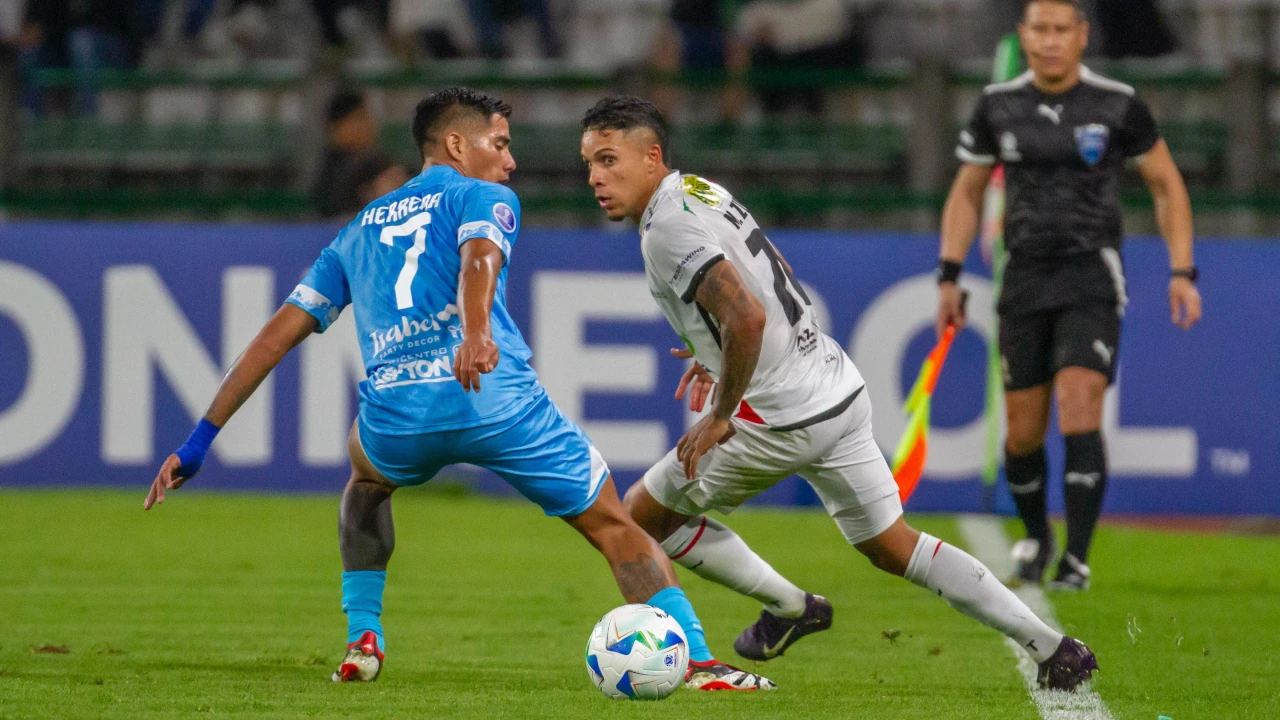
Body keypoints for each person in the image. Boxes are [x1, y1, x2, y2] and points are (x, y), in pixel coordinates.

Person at [143, 87, 772, 692]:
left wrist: (199, 441)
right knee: (613, 523)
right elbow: (479, 258)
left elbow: (274, 337)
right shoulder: (480, 197)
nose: (510, 159)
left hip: (398, 417)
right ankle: (699, 662)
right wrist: (474, 333)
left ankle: (363, 637)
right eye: (499, 143)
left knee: (365, 484)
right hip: (495, 400)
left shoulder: (355, 229)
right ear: (455, 145)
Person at [579, 95, 1098, 691]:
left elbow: (744, 315)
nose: (595, 177)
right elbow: (768, 275)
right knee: (893, 545)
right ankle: (1053, 647)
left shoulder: (665, 227)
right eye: (589, 162)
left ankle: (784, 611)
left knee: (638, 519)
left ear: (651, 156)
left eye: (609, 159)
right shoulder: (698, 190)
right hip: (834, 387)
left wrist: (722, 411)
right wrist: (712, 353)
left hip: (777, 415)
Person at [937, 0, 1200, 590]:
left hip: (1091, 276)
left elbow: (1166, 184)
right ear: (1022, 36)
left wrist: (1183, 270)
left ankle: (1076, 557)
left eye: (1061, 30)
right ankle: (1037, 536)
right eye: (1039, 29)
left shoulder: (1117, 103)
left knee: (1080, 405)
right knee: (1022, 432)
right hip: (1024, 275)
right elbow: (965, 194)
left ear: (1081, 36)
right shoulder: (998, 105)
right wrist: (948, 275)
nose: (1050, 40)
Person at [313, 91, 407, 220]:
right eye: (359, 118)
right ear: (337, 126)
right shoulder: (328, 173)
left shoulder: (377, 163)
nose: (369, 124)